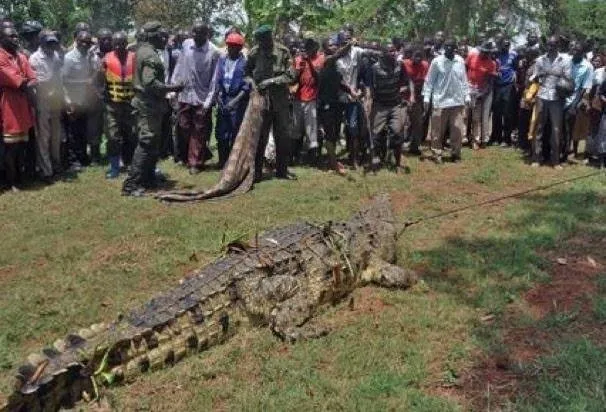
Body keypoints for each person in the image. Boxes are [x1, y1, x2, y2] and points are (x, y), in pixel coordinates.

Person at [122, 22, 183, 197]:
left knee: (153, 144)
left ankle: (147, 178)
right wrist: (173, 88)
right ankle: (131, 184)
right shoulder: (149, 55)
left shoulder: (144, 51)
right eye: (162, 36)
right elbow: (150, 83)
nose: (165, 40)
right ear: (153, 36)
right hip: (147, 105)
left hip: (150, 105)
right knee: (147, 142)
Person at [246, 24, 296, 181]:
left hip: (280, 101)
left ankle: (282, 170)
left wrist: (271, 81)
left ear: (270, 37)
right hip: (262, 102)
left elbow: (291, 75)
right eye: (259, 41)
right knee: (261, 137)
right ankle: (257, 171)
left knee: (283, 137)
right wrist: (253, 85)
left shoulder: (283, 52)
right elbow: (246, 73)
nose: (262, 44)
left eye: (265, 40)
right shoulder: (254, 53)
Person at [171, 20, 219, 174]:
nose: (195, 35)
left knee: (198, 131)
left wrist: (209, 101)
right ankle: (199, 154)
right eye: (194, 32)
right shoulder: (186, 45)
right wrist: (173, 88)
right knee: (184, 127)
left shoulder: (213, 52)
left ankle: (195, 163)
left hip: (202, 98)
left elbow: (215, 79)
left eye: (199, 33)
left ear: (206, 34)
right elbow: (180, 66)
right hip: (185, 95)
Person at [0, 26, 36, 191]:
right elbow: (18, 82)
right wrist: (25, 81)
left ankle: (21, 177)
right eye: (11, 36)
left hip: (23, 104)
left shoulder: (21, 56)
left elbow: (33, 78)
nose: (15, 39)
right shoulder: (1, 57)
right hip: (9, 105)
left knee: (22, 144)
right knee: (11, 147)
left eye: (16, 36)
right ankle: (11, 180)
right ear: (2, 38)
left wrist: (25, 81)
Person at [423, 38, 470, 163]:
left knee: (457, 130)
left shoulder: (460, 61)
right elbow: (429, 81)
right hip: (440, 100)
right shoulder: (437, 62)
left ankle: (456, 154)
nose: (448, 49)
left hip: (457, 101)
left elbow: (464, 80)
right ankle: (437, 153)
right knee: (437, 130)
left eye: (451, 47)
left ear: (455, 48)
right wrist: (427, 97)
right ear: (444, 48)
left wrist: (467, 95)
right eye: (446, 47)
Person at [369, 42, 411, 172]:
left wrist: (404, 90)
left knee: (397, 134)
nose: (393, 53)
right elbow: (371, 87)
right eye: (390, 51)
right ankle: (376, 158)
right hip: (380, 105)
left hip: (395, 105)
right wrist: (370, 101)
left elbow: (406, 82)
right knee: (375, 134)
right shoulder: (375, 68)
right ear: (383, 54)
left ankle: (397, 164)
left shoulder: (400, 65)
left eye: (394, 51)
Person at [532, 35, 573, 169]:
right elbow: (534, 76)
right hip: (542, 95)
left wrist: (561, 83)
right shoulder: (540, 60)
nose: (551, 47)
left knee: (556, 130)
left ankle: (555, 160)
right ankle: (537, 158)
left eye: (553, 45)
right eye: (549, 45)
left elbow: (568, 79)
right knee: (538, 128)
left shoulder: (565, 60)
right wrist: (536, 77)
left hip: (557, 98)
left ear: (558, 46)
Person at [29, 30, 63, 183]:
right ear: (41, 42)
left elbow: (58, 77)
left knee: (56, 136)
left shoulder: (55, 55)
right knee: (44, 137)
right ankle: (46, 171)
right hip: (42, 100)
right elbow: (39, 81)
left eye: (53, 42)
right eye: (48, 42)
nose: (52, 45)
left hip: (55, 99)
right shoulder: (35, 59)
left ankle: (56, 166)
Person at [102, 31, 136, 179]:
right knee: (113, 137)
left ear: (126, 43)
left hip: (130, 105)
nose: (119, 46)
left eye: (122, 43)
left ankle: (130, 163)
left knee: (132, 135)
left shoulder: (134, 58)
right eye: (116, 44)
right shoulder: (106, 59)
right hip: (112, 105)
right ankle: (114, 167)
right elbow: (97, 80)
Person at [215, 32, 249, 168]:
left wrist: (234, 102)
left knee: (235, 132)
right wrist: (218, 98)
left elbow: (246, 87)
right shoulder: (222, 61)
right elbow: (217, 81)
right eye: (229, 45)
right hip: (223, 99)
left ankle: (233, 162)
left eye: (234, 46)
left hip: (237, 101)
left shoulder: (245, 64)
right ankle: (222, 160)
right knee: (221, 133)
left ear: (240, 48)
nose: (230, 48)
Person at [62, 30, 95, 170]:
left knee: (82, 131)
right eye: (82, 41)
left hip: (85, 100)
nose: (85, 44)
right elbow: (63, 81)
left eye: (88, 42)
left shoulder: (88, 56)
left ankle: (82, 157)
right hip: (73, 100)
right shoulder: (69, 58)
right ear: (75, 39)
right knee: (72, 133)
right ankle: (73, 161)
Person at [293, 37, 324, 163]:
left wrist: (309, 63)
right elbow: (293, 79)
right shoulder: (299, 59)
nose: (307, 51)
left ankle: (313, 158)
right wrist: (299, 68)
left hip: (312, 98)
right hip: (298, 98)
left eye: (310, 48)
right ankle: (295, 156)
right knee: (296, 128)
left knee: (311, 129)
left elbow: (318, 77)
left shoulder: (320, 58)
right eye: (306, 48)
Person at [564, 41, 593, 160]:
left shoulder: (588, 67)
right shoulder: (566, 61)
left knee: (568, 129)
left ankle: (564, 154)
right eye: (574, 50)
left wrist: (574, 105)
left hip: (572, 101)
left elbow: (584, 87)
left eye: (578, 51)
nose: (574, 52)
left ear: (583, 53)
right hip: (559, 98)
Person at [466, 41, 498, 150]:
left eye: (486, 52)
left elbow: (489, 81)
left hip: (486, 92)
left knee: (485, 117)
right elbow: (465, 69)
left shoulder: (491, 63)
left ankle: (483, 140)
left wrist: (482, 93)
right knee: (474, 117)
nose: (483, 54)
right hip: (472, 90)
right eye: (482, 51)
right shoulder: (472, 56)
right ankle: (474, 139)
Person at [88, 28, 113, 165]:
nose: (107, 41)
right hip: (94, 95)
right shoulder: (91, 54)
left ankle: (113, 155)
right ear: (98, 40)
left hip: (112, 95)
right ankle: (95, 157)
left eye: (109, 39)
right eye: (104, 39)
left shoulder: (116, 53)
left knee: (111, 128)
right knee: (94, 127)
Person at [492, 33, 518, 147]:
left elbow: (516, 68)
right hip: (497, 86)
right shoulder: (496, 54)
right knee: (496, 113)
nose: (506, 47)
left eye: (508, 45)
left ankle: (506, 139)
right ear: (500, 44)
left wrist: (515, 74)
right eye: (504, 44)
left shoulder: (514, 54)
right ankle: (496, 137)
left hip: (508, 86)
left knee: (507, 113)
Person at [402, 46, 429, 155]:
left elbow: (426, 82)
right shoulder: (403, 64)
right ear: (411, 56)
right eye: (415, 56)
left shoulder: (425, 65)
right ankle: (398, 147)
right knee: (401, 123)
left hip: (417, 98)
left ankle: (415, 147)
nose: (417, 59)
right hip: (403, 98)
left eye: (420, 57)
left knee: (417, 123)